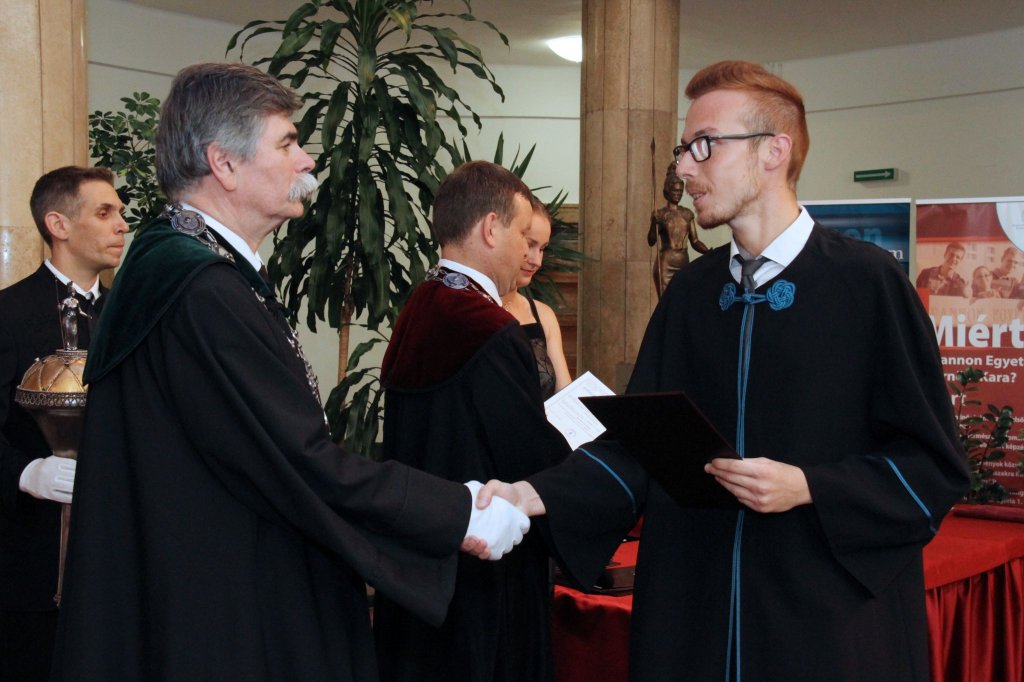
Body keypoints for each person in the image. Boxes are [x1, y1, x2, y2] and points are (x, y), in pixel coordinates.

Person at [485, 60, 969, 681]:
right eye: (685, 149)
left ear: (774, 151)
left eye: (704, 145)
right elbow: (638, 448)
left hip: (822, 624)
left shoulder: (867, 285)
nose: (685, 169)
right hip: (696, 615)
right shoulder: (691, 294)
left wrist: (810, 486)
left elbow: (931, 465)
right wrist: (533, 494)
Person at [50, 63, 529, 682]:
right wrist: (460, 510)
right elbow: (298, 461)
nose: (307, 160)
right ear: (224, 164)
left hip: (199, 585)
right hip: (227, 610)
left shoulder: (182, 264)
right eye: (287, 143)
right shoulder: (202, 289)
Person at [373, 161, 621, 682]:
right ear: (491, 228)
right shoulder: (487, 327)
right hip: (486, 571)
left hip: (421, 560)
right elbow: (531, 460)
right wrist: (606, 474)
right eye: (522, 235)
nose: (528, 255)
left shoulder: (420, 307)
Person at [0, 165, 127, 682]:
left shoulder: (130, 315)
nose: (122, 224)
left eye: (120, 211)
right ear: (58, 224)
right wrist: (24, 472)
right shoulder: (9, 313)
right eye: (105, 212)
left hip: (118, 551)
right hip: (29, 560)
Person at [500, 197, 572, 398]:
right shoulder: (475, 310)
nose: (536, 261)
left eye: (542, 249)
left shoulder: (543, 314)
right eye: (530, 244)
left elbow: (565, 395)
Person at [648, 162, 709, 295]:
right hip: (666, 262)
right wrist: (654, 223)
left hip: (683, 261)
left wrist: (708, 251)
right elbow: (651, 241)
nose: (678, 194)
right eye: (675, 191)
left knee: (682, 300)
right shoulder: (661, 214)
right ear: (667, 191)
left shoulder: (687, 214)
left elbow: (695, 241)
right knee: (665, 301)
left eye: (680, 191)